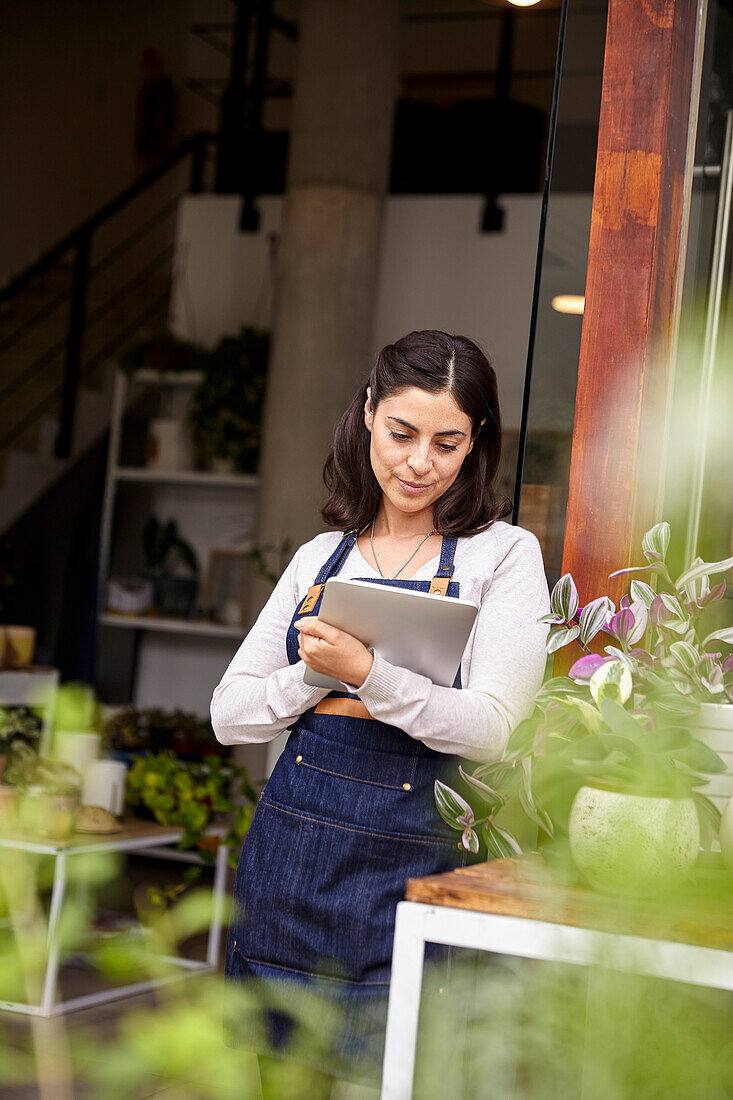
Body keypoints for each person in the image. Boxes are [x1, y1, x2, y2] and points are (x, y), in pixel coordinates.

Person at [210, 330, 550, 1084]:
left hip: (415, 863)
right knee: (275, 1077)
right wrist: (312, 677)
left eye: (446, 442)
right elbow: (230, 715)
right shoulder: (318, 557)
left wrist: (366, 673)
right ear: (367, 413)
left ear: (475, 443)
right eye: (401, 434)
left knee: (395, 1075)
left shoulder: (503, 555)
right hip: (290, 864)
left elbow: (496, 728)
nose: (418, 462)